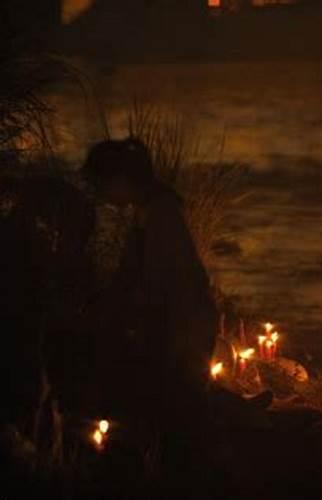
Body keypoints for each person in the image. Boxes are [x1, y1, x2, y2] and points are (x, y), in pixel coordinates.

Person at [81, 138, 218, 428]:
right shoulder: (148, 211)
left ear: (119, 180)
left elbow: (162, 279)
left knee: (184, 406)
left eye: (101, 186)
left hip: (186, 326)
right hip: (179, 323)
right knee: (179, 402)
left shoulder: (162, 214)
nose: (100, 195)